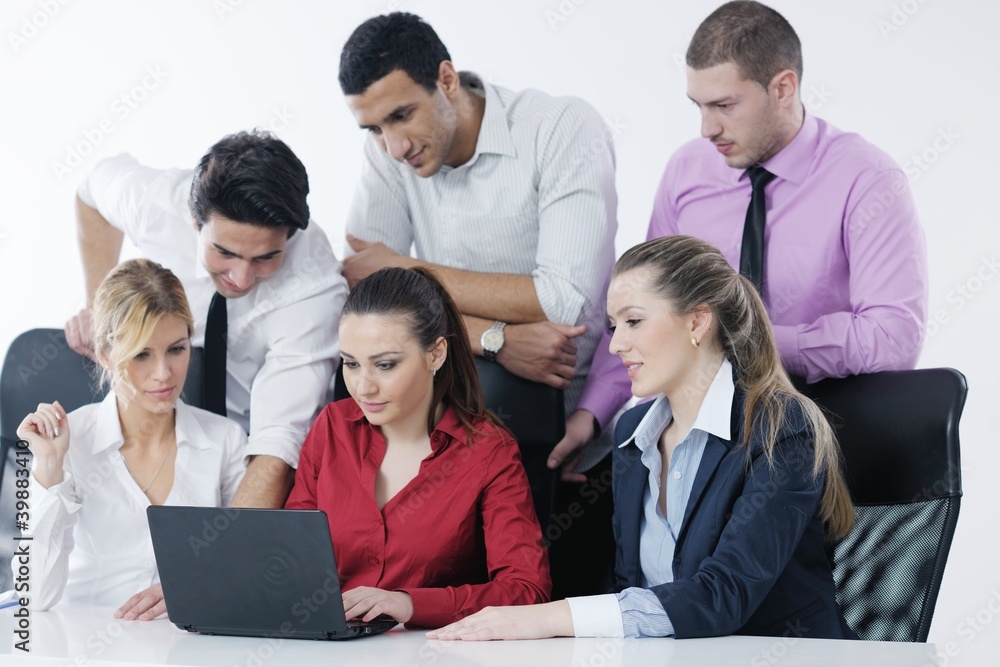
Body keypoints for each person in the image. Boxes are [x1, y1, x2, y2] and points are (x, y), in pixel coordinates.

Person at [427, 235, 856, 640]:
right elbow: (633, 589)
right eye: (614, 326)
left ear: (698, 321)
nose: (616, 345)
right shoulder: (633, 435)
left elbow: (724, 595)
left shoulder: (780, 427)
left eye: (633, 321)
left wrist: (549, 617)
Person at [338, 11, 617, 597]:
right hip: (464, 406)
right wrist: (496, 337)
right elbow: (371, 302)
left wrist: (408, 269)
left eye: (401, 115)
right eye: (372, 129)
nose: (394, 145)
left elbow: (563, 300)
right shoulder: (390, 155)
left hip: (568, 421)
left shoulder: (560, 127)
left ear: (445, 79)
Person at [572, 0, 929, 444]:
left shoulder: (867, 179)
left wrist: (745, 340)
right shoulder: (687, 170)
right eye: (698, 105)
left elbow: (892, 338)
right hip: (692, 439)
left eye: (724, 105)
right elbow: (643, 307)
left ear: (782, 88)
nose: (706, 128)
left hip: (817, 435)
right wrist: (592, 415)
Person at [65, 130, 348, 508]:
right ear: (194, 221)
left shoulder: (314, 286)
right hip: (169, 431)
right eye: (224, 252)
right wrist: (97, 306)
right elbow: (90, 192)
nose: (241, 278)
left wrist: (221, 557)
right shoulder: (157, 204)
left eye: (265, 257)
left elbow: (276, 449)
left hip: (253, 451)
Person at [284, 267, 551, 628]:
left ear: (436, 354)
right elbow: (290, 557)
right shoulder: (332, 428)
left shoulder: (489, 452)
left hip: (433, 652)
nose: (363, 388)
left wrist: (411, 604)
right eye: (350, 364)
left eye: (385, 365)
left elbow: (527, 590)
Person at [14, 259, 246, 619]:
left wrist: (194, 586)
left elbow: (244, 572)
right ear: (106, 355)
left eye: (177, 349)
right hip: (85, 644)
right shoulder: (70, 442)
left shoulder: (224, 441)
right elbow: (34, 595)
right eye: (142, 355)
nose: (164, 373)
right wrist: (48, 467)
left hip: (187, 647)